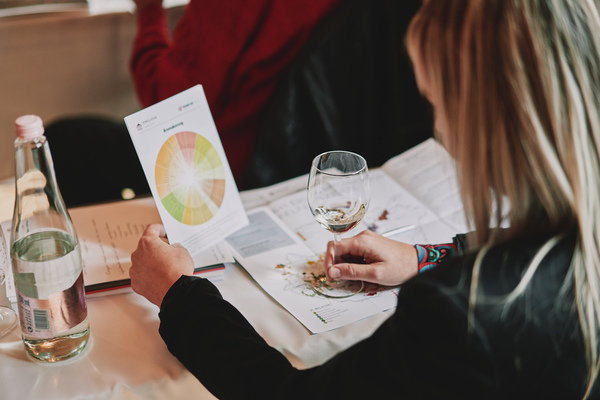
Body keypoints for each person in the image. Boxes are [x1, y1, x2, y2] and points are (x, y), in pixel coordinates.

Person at [129, 0, 600, 398]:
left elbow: (285, 393)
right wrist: (426, 255)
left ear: (485, 121)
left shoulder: (456, 314)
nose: (438, 130)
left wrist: (178, 294)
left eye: (437, 103)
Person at [130, 0, 345, 184]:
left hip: (222, 172)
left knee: (96, 140)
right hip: (314, 159)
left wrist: (149, 11)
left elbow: (170, 104)